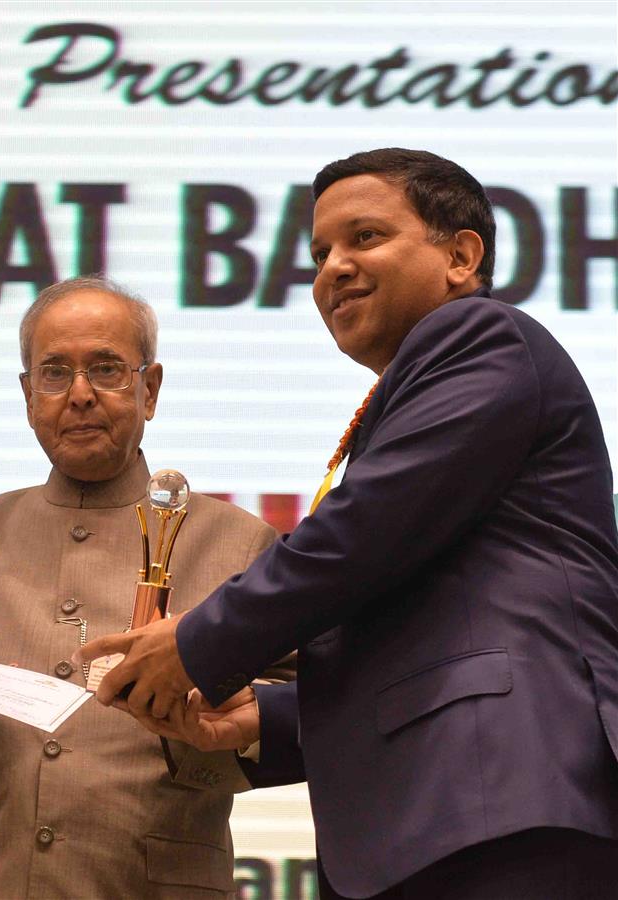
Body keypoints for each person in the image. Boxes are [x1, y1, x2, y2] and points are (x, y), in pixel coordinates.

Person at [81, 149, 618, 899]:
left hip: (500, 808)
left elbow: (356, 540)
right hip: (436, 822)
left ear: (461, 255)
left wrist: (197, 645)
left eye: (364, 238)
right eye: (319, 252)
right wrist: (263, 718)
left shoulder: (480, 340)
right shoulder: (413, 392)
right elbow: (419, 628)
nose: (332, 268)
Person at [0, 277, 290, 898]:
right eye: (55, 373)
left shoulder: (239, 545)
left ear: (151, 389)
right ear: (28, 394)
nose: (80, 395)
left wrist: (196, 706)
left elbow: (295, 719)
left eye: (108, 369)